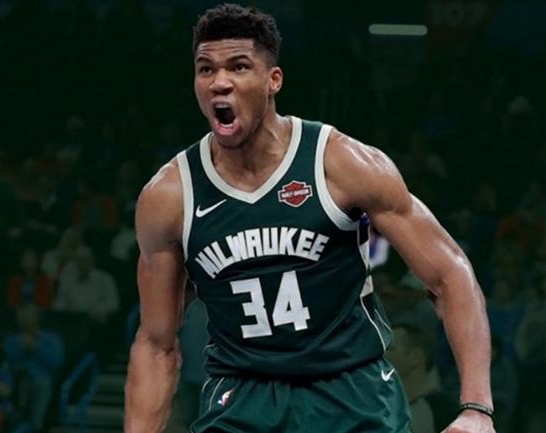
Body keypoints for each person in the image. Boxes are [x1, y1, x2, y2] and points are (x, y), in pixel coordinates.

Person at [125, 4, 495, 433]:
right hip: (242, 399)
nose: (219, 82)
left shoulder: (340, 163)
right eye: (205, 69)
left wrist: (477, 408)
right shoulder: (169, 196)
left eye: (238, 67)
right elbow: (155, 343)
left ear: (273, 80)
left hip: (351, 392)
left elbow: (450, 273)